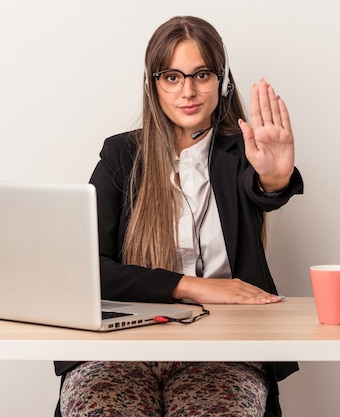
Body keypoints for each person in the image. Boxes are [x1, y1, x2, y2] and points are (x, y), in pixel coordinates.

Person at [54, 15, 303, 417]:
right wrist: (191, 287)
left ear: (222, 82)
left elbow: (263, 190)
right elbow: (82, 268)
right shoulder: (121, 156)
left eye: (201, 75)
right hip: (121, 348)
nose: (188, 91)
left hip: (226, 348)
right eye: (172, 77)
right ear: (154, 84)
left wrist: (275, 178)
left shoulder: (243, 152)